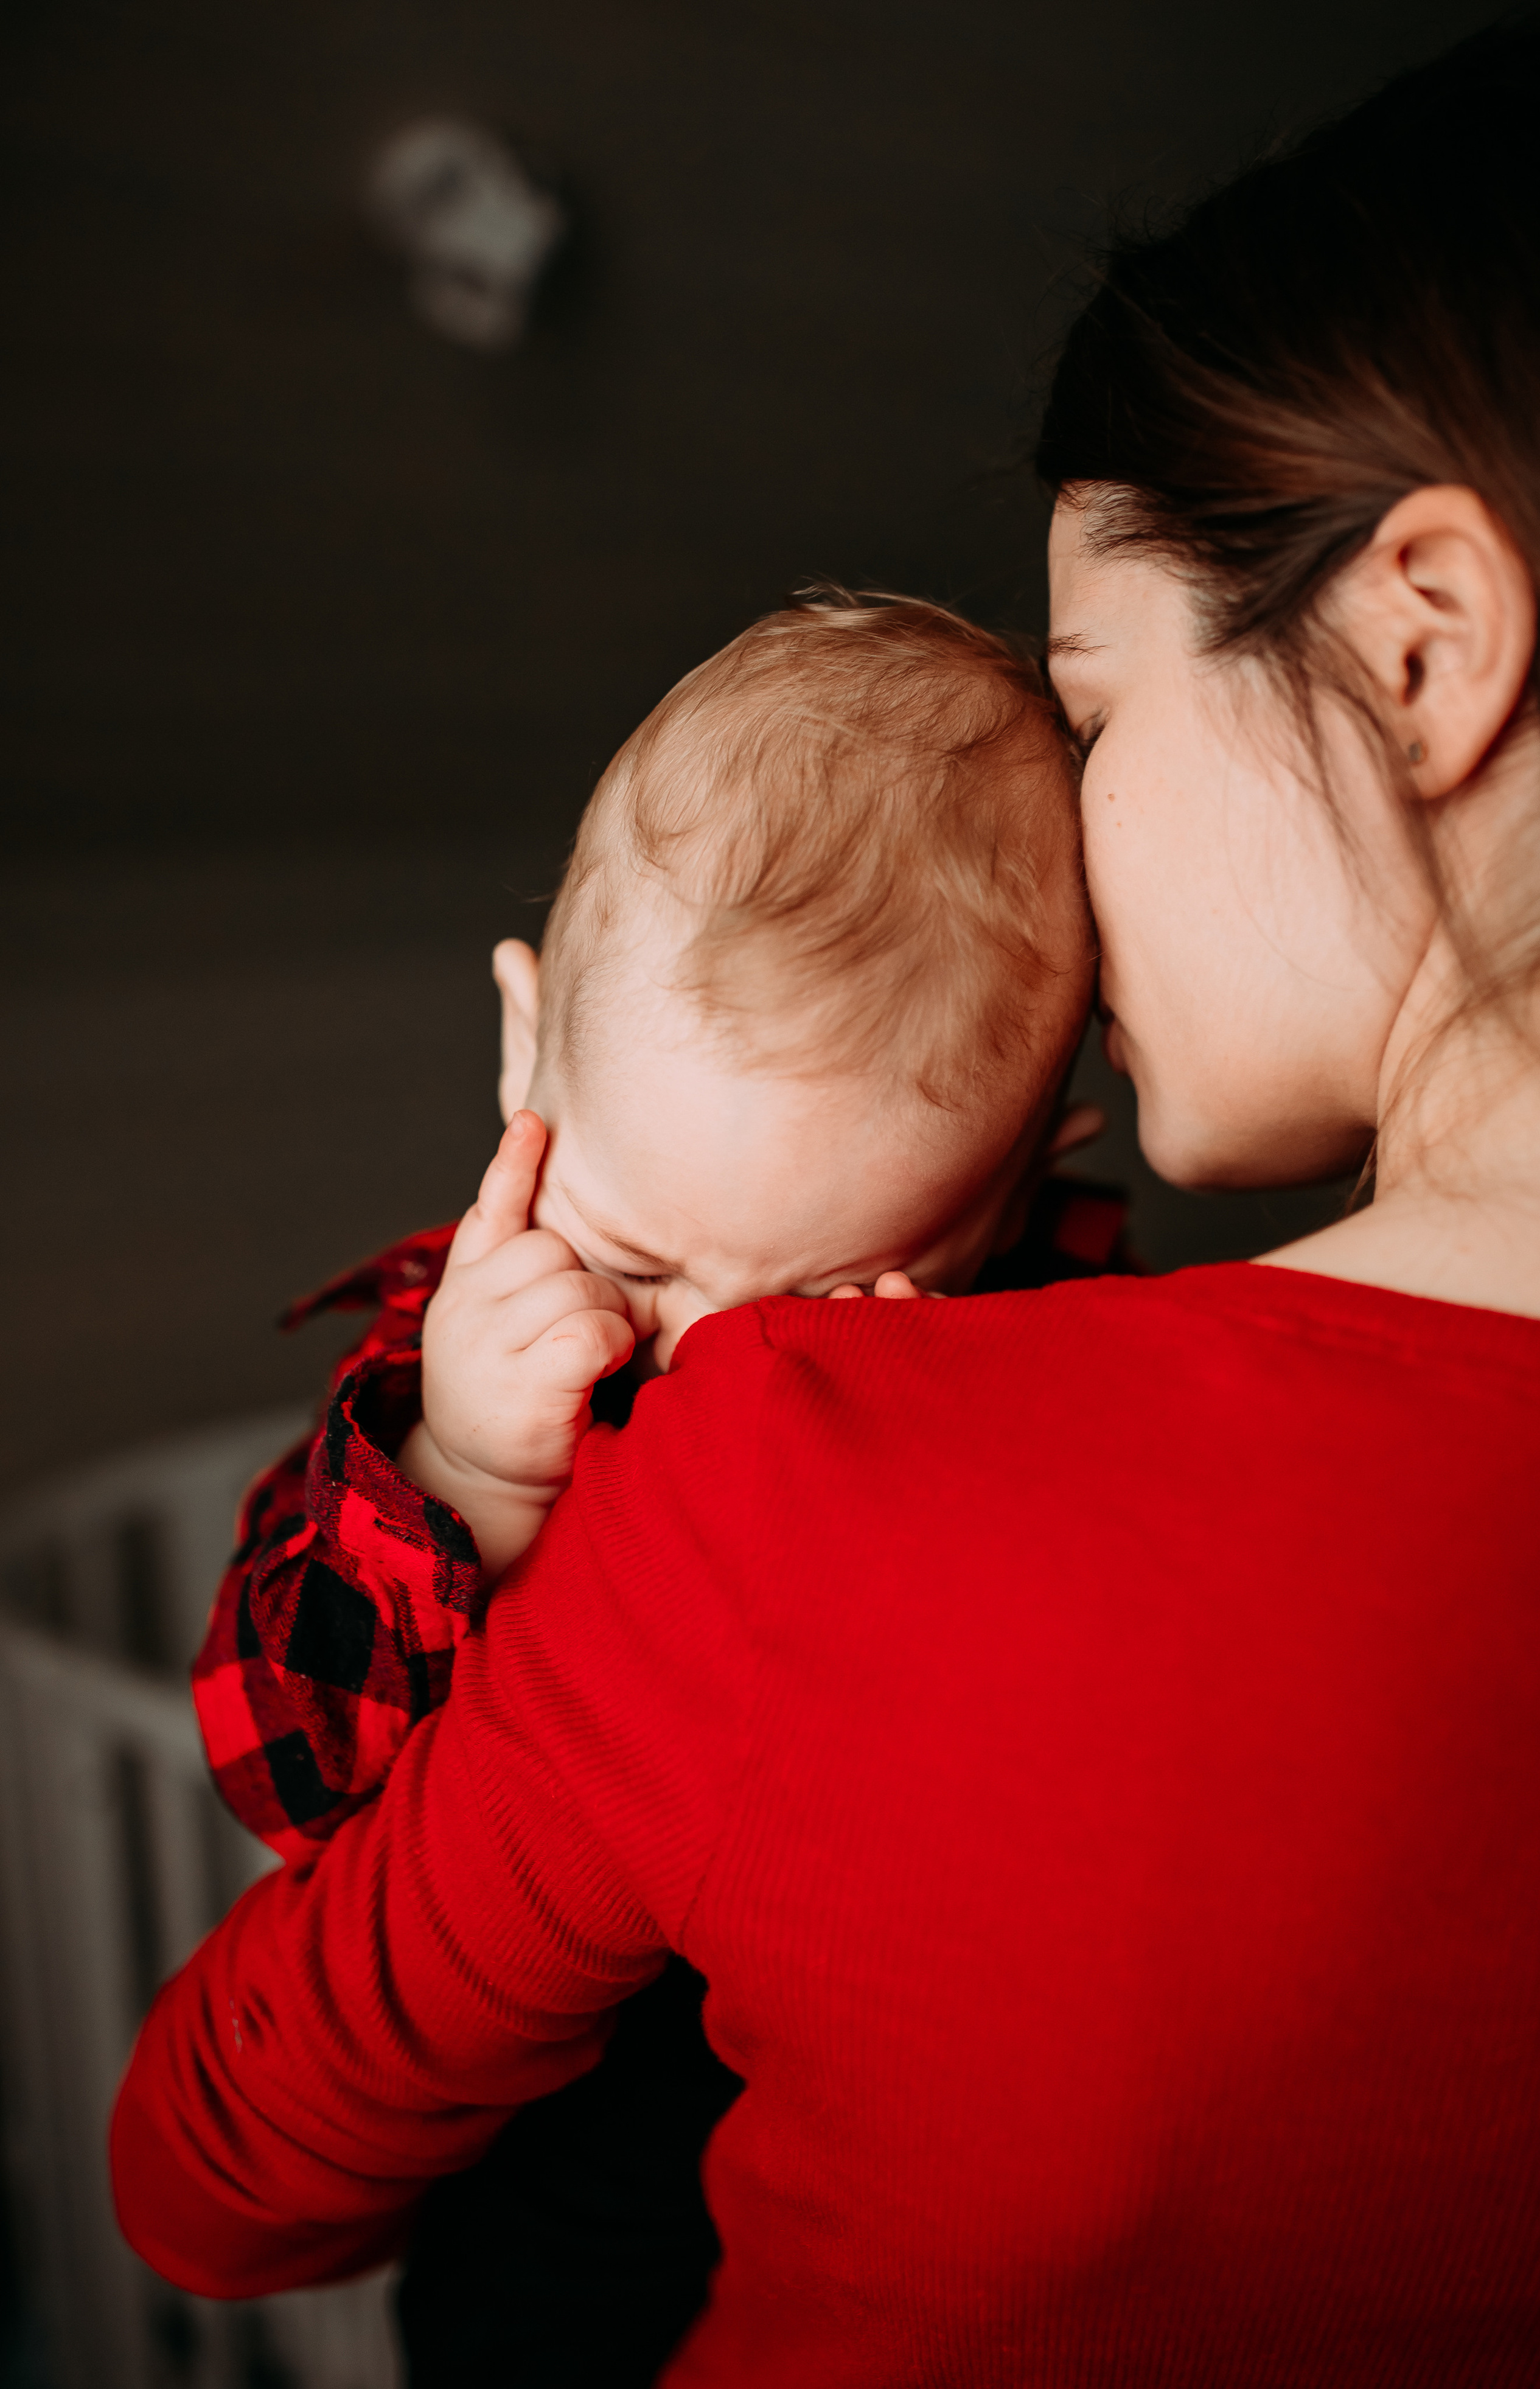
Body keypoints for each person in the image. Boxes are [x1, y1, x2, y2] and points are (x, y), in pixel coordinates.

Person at [115, 18, 1540, 2385]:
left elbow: (206, 2169)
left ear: (1418, 647)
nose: (1068, 853)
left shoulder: (823, 1462)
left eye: (1092, 713)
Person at [187, 589, 1124, 2384]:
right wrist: (465, 1476)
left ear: (1017, 1204)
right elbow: (289, 1781)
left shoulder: (1056, 1343)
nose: (707, 1361)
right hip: (564, 2130)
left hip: (887, 2121)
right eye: (630, 1258)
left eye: (815, 1309)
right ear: (524, 1049)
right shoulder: (452, 1359)